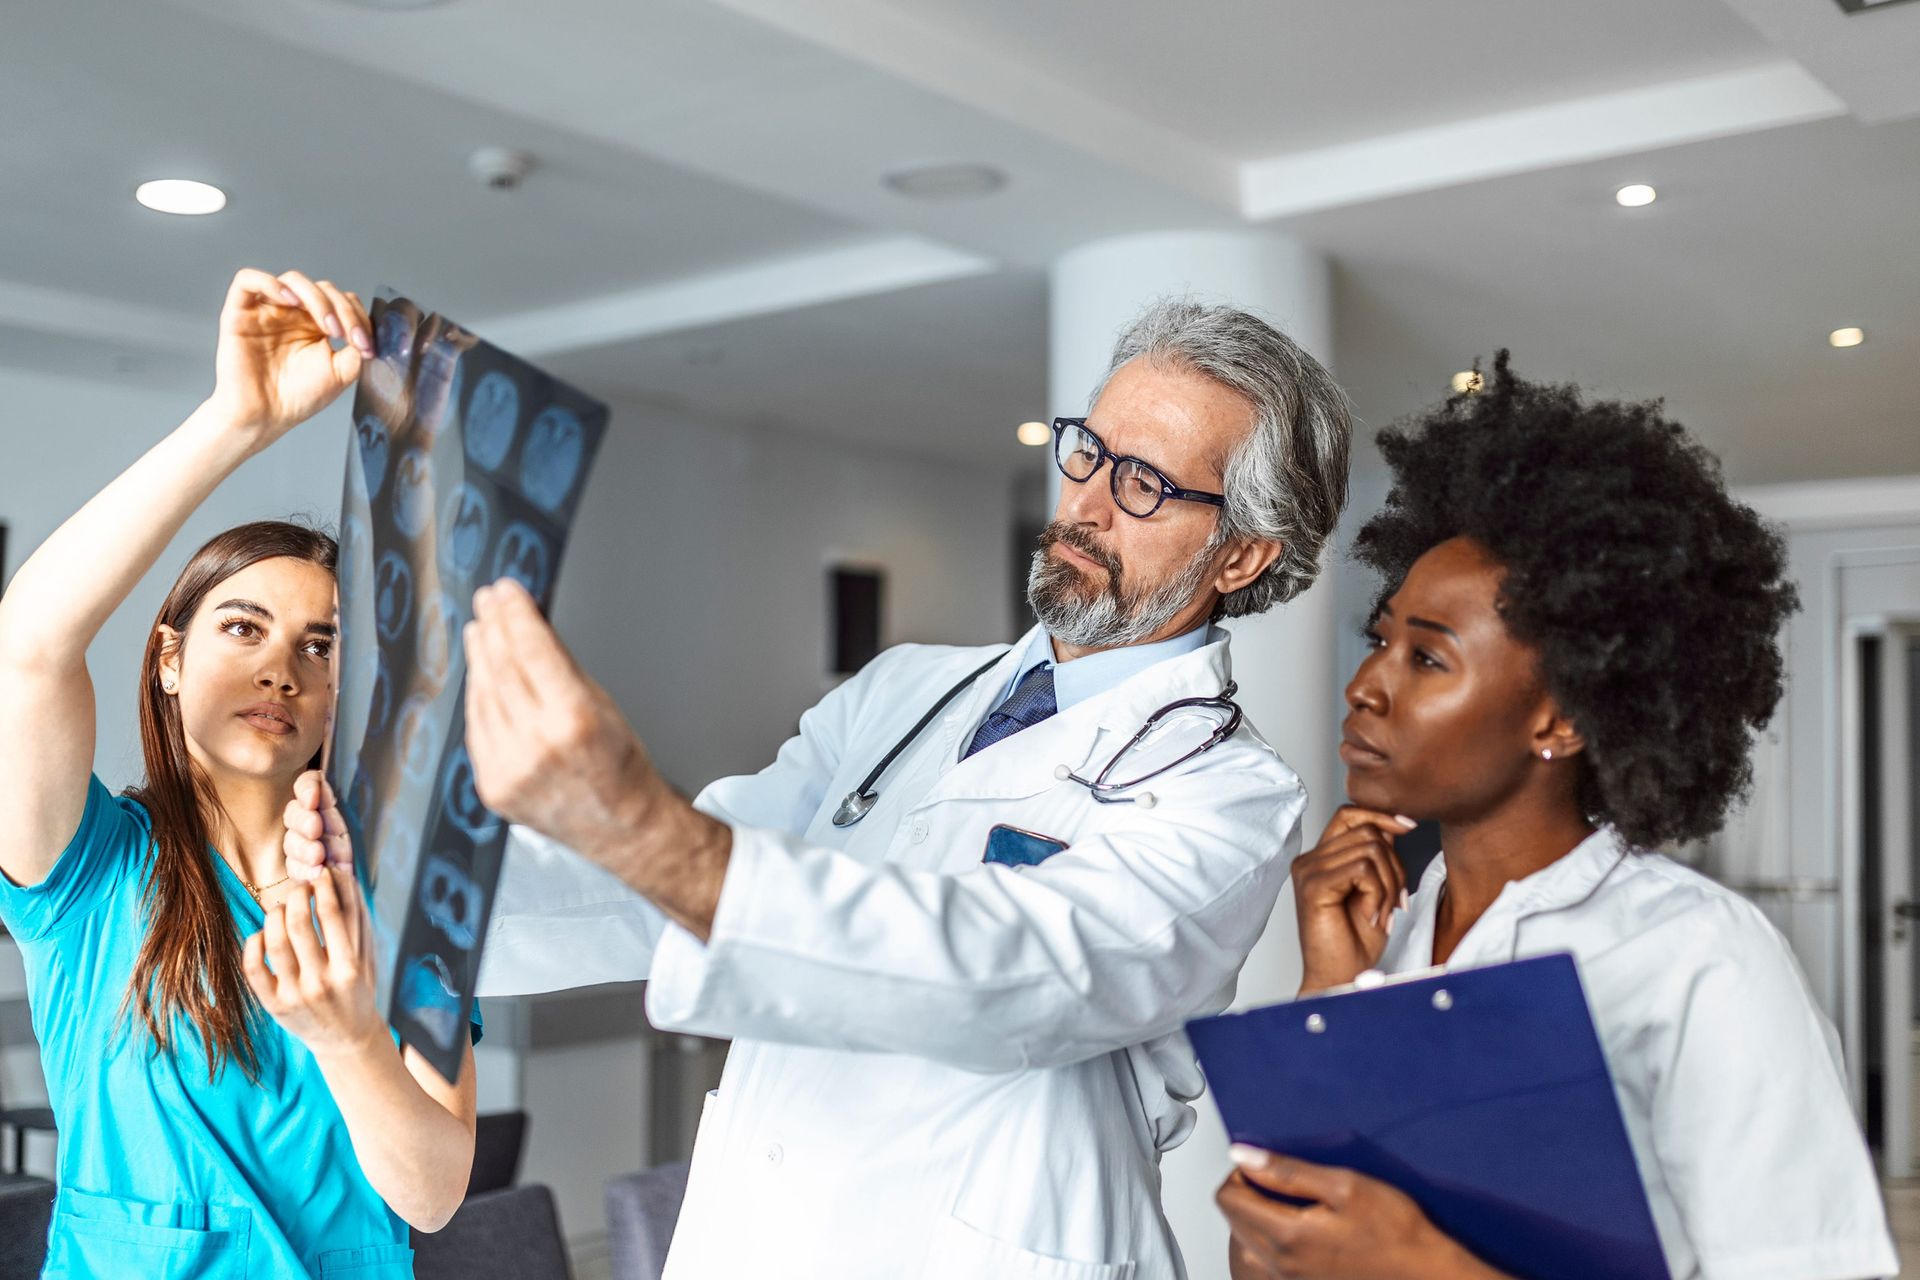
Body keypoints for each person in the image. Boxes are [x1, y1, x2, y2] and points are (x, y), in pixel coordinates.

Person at [432, 299, 1352, 1277]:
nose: (1084, 502)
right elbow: (676, 884)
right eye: (1088, 451)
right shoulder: (904, 688)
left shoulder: (1229, 793)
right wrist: (409, 897)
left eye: (1143, 483)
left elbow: (1015, 977)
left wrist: (647, 829)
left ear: (1244, 553)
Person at [1215, 354, 1897, 1280]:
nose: (1364, 687)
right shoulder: (1392, 934)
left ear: (1561, 718)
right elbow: (1266, 1261)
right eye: (1382, 641)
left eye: (1428, 659)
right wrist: (1332, 993)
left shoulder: (1698, 958)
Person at [0, 269, 478, 1278]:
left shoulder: (407, 894)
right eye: (243, 627)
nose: (280, 666)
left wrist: (349, 1035)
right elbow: (30, 645)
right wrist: (235, 420)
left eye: (322, 643)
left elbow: (432, 1194)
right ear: (169, 659)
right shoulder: (88, 875)